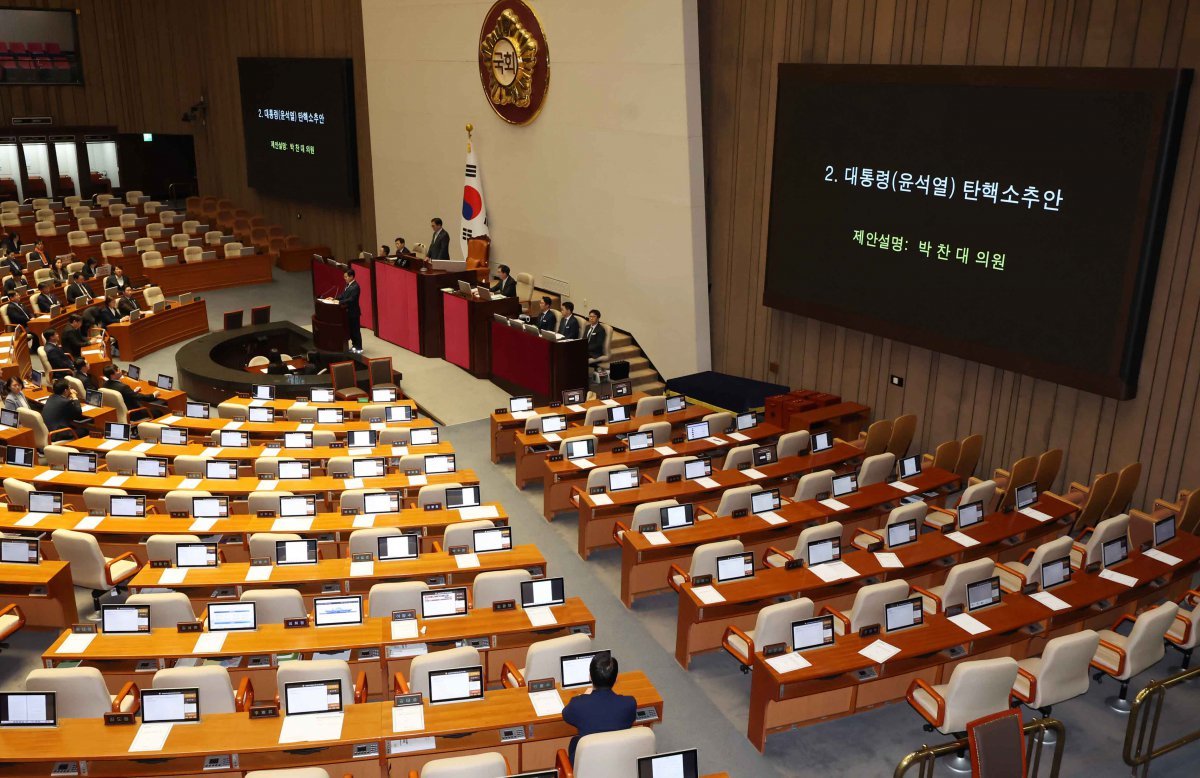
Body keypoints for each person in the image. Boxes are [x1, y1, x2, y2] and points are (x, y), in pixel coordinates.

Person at [561, 654, 636, 765]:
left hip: (587, 763)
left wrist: (584, 697)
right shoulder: (629, 703)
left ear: (590, 677)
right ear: (616, 679)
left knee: (574, 743)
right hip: (618, 760)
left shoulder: (578, 705)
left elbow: (566, 715)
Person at [327, 268, 362, 354]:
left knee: (355, 330)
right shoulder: (348, 285)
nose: (344, 278)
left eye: (346, 277)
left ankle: (359, 348)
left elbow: (351, 299)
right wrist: (334, 299)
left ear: (351, 276)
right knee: (351, 330)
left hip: (353, 312)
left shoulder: (355, 286)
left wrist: (339, 302)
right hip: (347, 312)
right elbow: (343, 295)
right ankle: (354, 346)